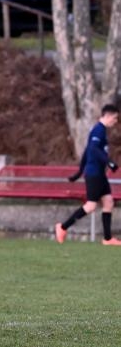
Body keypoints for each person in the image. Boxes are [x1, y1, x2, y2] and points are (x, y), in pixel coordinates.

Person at [55, 104, 121, 245]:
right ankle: (62, 227)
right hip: (94, 174)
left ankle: (107, 239)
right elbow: (94, 148)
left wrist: (79, 172)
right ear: (108, 116)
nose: (115, 122)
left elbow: (87, 151)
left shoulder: (100, 130)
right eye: (115, 118)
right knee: (91, 206)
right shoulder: (98, 130)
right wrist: (109, 162)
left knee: (108, 202)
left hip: (99, 174)